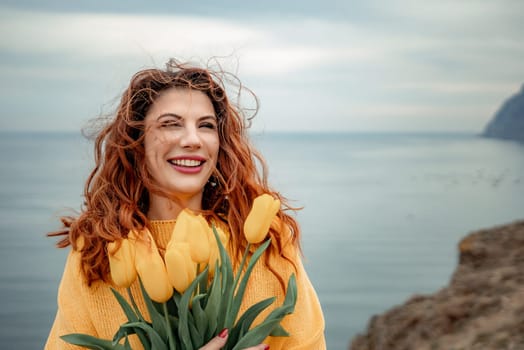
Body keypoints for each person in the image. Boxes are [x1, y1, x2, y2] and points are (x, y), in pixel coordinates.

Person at [45, 59, 326, 350]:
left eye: (206, 126)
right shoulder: (97, 250)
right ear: (137, 142)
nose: (192, 139)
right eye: (170, 124)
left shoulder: (267, 240)